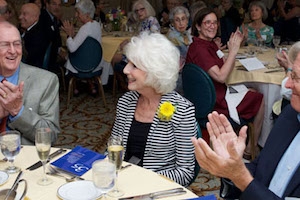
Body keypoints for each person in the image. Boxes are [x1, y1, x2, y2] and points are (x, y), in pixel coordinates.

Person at [191, 41, 300, 199]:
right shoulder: (290, 116)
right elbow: (261, 171)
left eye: (296, 77)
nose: (287, 84)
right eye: (290, 75)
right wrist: (231, 166)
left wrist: (240, 177)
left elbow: (249, 181)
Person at [111, 32, 197, 187]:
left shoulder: (182, 110)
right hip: (122, 185)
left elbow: (185, 171)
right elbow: (113, 150)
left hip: (157, 190)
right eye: (127, 63)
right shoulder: (125, 102)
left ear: (155, 71)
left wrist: (143, 179)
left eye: (134, 66)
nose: (125, 70)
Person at [186, 8, 264, 159]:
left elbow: (223, 66)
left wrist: (226, 49)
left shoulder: (206, 43)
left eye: (215, 23)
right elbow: (222, 76)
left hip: (212, 95)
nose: (212, 26)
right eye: (207, 22)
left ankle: (240, 140)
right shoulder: (200, 49)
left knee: (253, 90)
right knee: (260, 98)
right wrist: (233, 51)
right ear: (198, 26)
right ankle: (250, 148)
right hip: (214, 102)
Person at [0, 21, 60, 145]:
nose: (13, 51)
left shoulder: (46, 81)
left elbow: (51, 136)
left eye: (17, 44)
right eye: (5, 45)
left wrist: (18, 111)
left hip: (25, 160)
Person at [62, 0, 103, 96]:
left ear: (87, 14)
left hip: (81, 65)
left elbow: (72, 48)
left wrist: (69, 35)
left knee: (67, 54)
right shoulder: (97, 25)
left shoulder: (85, 28)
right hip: (95, 63)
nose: (76, 15)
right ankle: (90, 85)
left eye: (78, 13)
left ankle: (75, 87)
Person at [167, 6, 192, 94]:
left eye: (183, 19)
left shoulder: (185, 34)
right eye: (177, 20)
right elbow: (189, 55)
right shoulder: (174, 36)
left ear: (187, 21)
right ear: (173, 23)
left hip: (184, 73)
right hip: (178, 77)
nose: (181, 23)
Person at [19, 3, 49, 68]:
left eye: (24, 14)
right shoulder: (26, 29)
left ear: (35, 17)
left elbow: (28, 58)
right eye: (20, 13)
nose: (20, 17)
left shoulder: (38, 35)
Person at [39, 0, 63, 72]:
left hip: (51, 55)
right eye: (54, 4)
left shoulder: (53, 17)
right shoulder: (42, 17)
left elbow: (57, 38)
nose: (57, 8)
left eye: (59, 5)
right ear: (47, 4)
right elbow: (50, 39)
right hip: (43, 59)